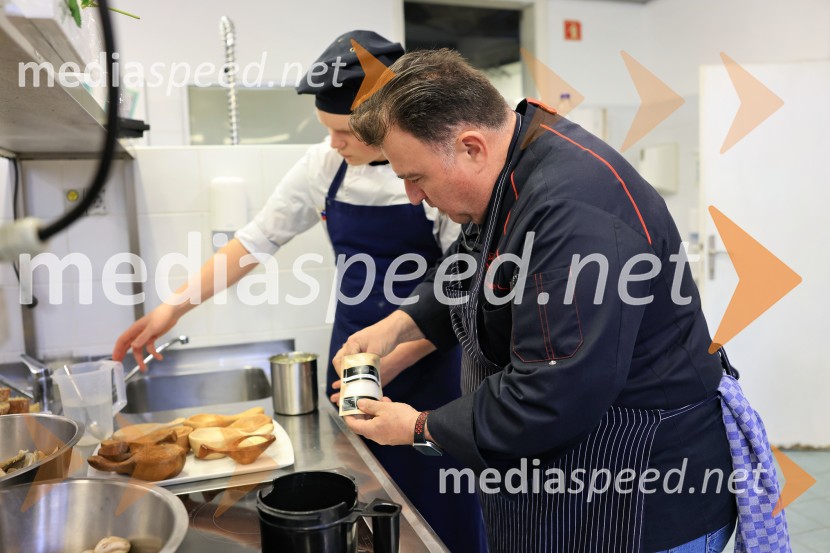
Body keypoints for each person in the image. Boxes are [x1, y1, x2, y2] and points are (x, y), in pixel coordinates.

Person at [335, 49, 790, 552]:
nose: (412, 196)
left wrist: (419, 427)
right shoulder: (512, 164)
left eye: (415, 177)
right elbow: (472, 268)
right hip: (562, 486)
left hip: (638, 497)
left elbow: (552, 391)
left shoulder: (574, 213)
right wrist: (399, 326)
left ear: (470, 148)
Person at [112, 33, 487, 553]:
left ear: (386, 122)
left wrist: (395, 360)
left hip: (432, 364)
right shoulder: (324, 167)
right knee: (363, 501)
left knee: (437, 506)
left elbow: (458, 289)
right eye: (327, 130)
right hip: (353, 350)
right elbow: (255, 240)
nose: (333, 143)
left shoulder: (431, 178)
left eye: (344, 132)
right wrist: (170, 310)